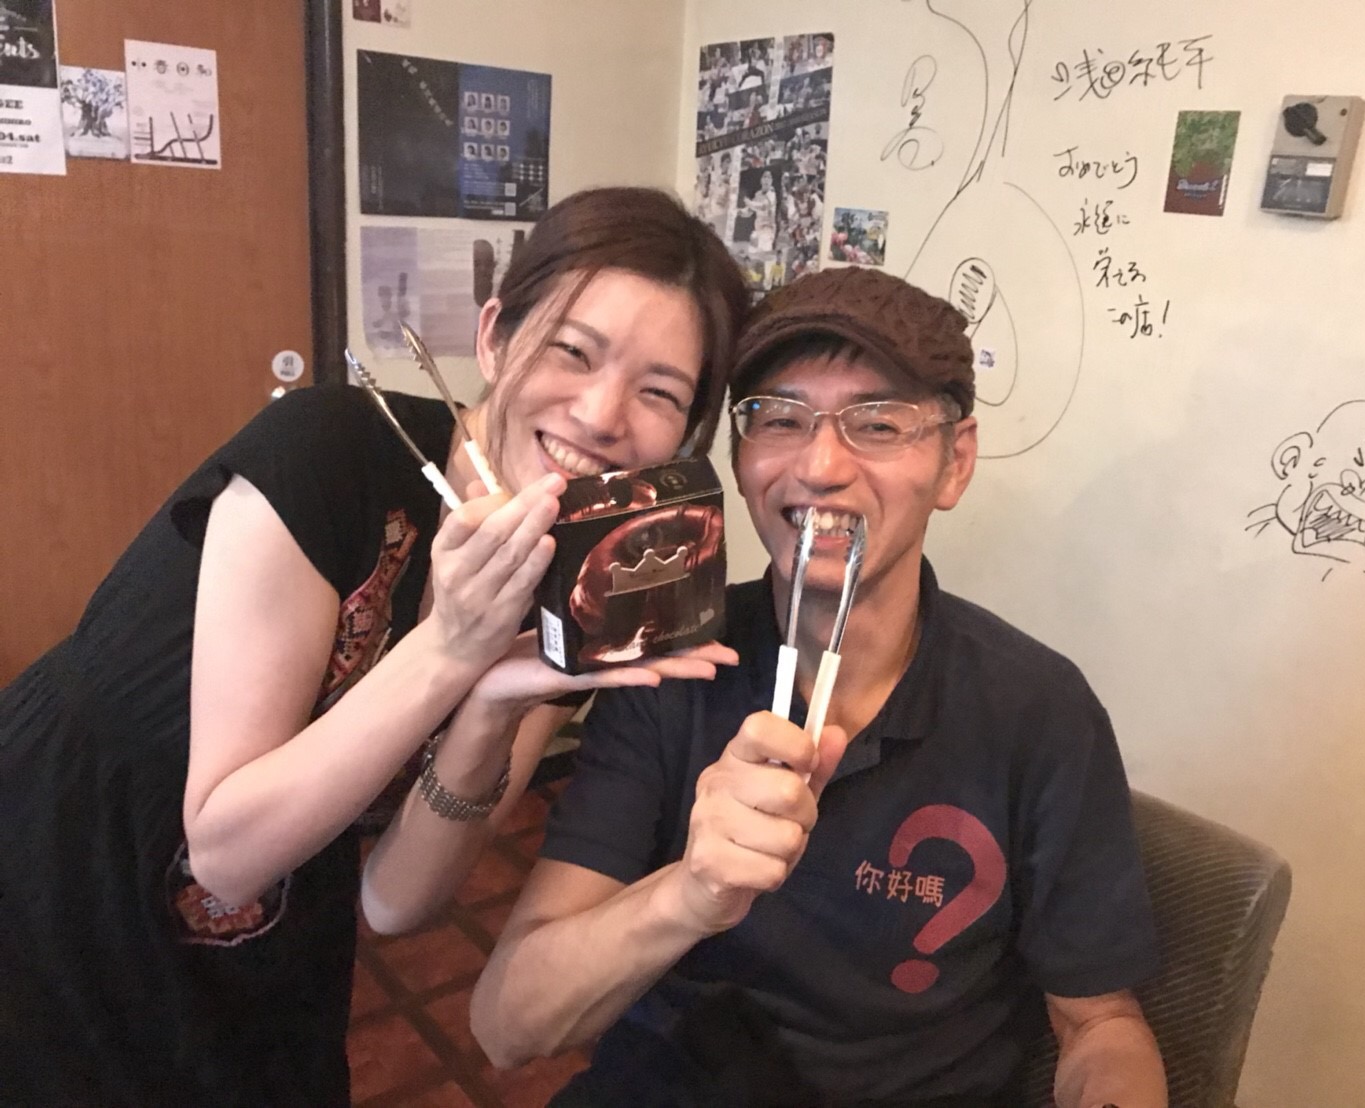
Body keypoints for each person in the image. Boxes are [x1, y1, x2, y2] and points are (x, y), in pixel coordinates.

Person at [0, 186, 749, 1106]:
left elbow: (396, 903)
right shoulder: (330, 453)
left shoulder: (576, 587)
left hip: (272, 918)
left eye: (659, 393)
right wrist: (452, 649)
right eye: (572, 350)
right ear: (494, 337)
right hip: (63, 858)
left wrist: (488, 708)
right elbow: (226, 850)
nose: (602, 414)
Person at [471, 266, 1168, 1106]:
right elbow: (507, 1026)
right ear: (740, 458)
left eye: (878, 423)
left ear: (955, 463)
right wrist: (689, 896)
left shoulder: (1039, 711)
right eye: (780, 418)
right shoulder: (670, 669)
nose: (822, 464)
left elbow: (1099, 1025)